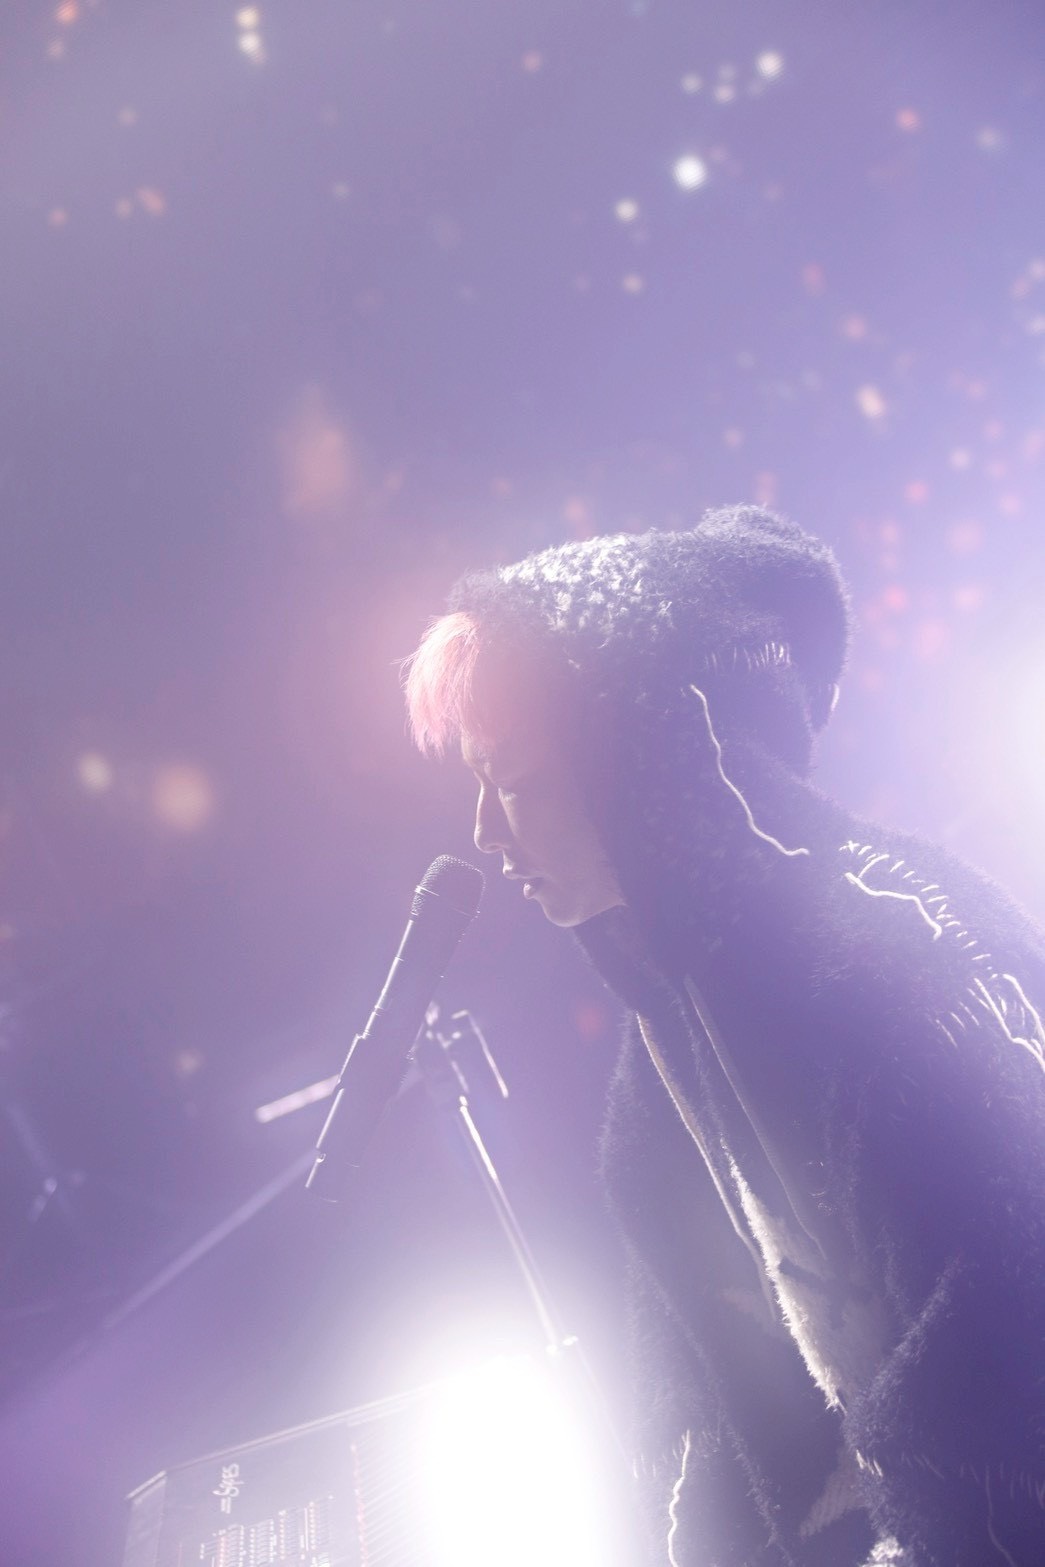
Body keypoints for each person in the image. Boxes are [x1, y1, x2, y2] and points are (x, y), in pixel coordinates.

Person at [402, 505, 1045, 1566]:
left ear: (647, 769)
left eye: (514, 784)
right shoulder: (676, 1008)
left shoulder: (908, 964)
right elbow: (707, 1365)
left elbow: (1013, 1326)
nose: (484, 833)